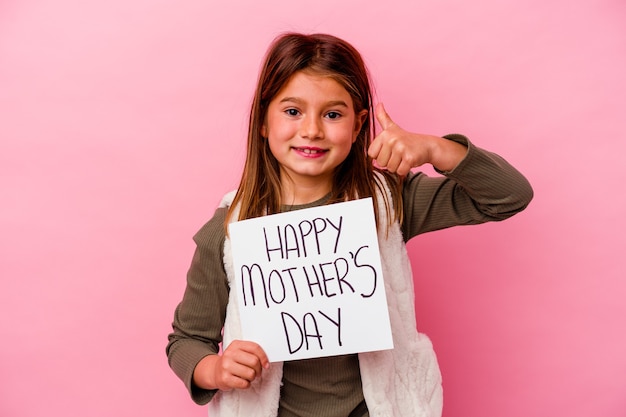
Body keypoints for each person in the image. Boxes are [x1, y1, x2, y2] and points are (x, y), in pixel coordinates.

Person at [166, 32, 533, 417]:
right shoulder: (228, 230)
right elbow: (187, 340)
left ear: (358, 126)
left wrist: (436, 148)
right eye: (292, 111)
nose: (312, 130)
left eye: (332, 114)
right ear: (263, 121)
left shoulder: (389, 202)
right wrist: (216, 369)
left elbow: (508, 195)